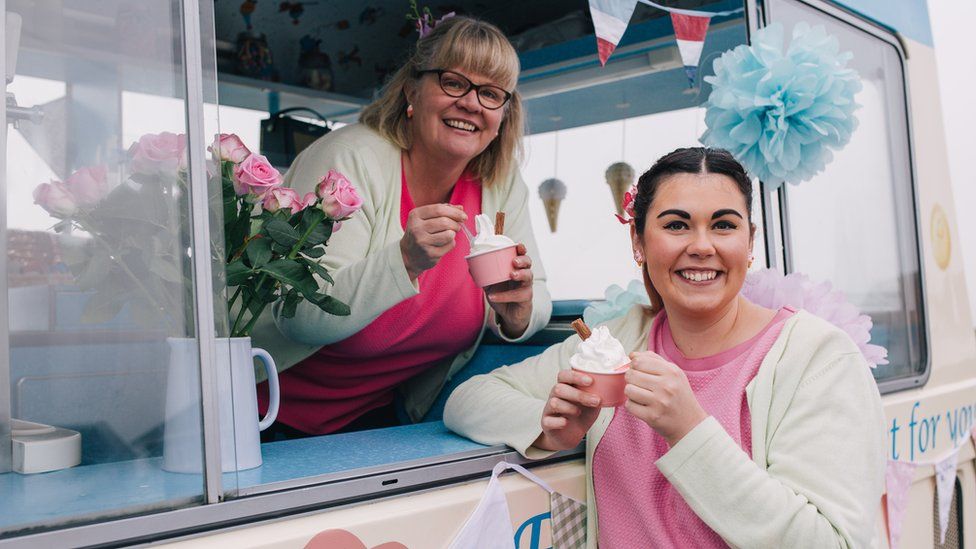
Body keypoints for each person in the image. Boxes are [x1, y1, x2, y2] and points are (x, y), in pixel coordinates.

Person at [444, 148, 886, 547]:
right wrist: (551, 429)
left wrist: (689, 429)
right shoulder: (613, 344)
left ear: (750, 242)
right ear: (638, 242)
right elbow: (468, 400)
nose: (701, 246)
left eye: (724, 225)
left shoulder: (817, 359)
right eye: (676, 225)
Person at [253, 16, 551, 437]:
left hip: (373, 422)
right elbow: (298, 313)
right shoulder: (350, 159)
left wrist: (518, 313)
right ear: (412, 89)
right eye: (453, 82)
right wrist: (404, 260)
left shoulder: (501, 183)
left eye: (490, 93)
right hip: (263, 413)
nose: (471, 103)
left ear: (504, 113)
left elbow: (536, 295)